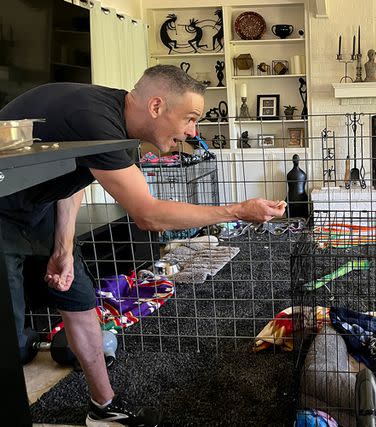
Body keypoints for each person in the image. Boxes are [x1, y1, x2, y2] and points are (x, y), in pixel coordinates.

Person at [0, 65, 285, 426]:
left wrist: (63, 248)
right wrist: (236, 211)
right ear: (156, 106)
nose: (192, 132)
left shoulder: (118, 130)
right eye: (191, 119)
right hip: (1, 206)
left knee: (80, 300)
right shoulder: (93, 117)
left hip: (36, 207)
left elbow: (73, 182)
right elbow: (148, 216)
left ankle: (103, 409)